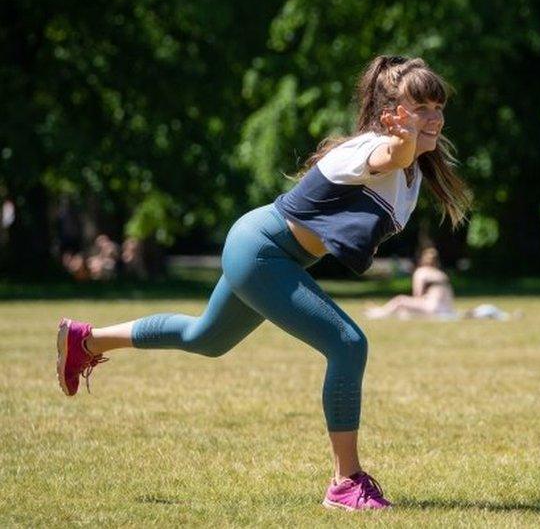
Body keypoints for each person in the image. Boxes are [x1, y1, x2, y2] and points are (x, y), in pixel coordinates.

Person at [55, 55, 470, 511]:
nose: (434, 116)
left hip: (269, 252)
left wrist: (412, 141)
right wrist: (404, 141)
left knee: (205, 338)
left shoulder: (411, 168)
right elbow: (392, 153)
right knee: (348, 344)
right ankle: (345, 482)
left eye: (438, 106)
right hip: (262, 250)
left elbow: (402, 158)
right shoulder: (375, 149)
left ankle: (86, 342)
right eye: (421, 108)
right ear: (390, 115)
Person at [365, 247, 455, 319]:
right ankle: (379, 310)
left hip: (433, 308)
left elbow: (417, 295)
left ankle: (379, 313)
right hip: (446, 308)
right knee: (404, 311)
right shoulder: (441, 274)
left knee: (400, 300)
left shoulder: (421, 272)